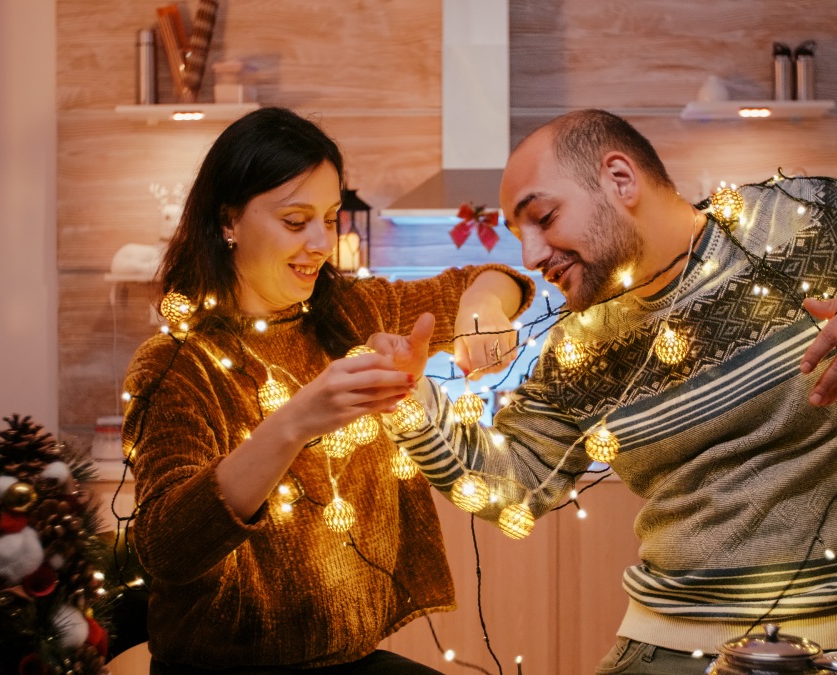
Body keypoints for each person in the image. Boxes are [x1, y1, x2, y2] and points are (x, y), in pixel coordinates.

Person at [369, 109, 837, 674]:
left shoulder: (810, 223)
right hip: (662, 650)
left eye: (543, 217)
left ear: (618, 176)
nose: (529, 254)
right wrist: (409, 402)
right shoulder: (579, 347)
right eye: (517, 233)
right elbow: (513, 488)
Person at [120, 107, 533, 674]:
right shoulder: (176, 366)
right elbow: (167, 549)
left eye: (331, 218)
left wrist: (484, 310)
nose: (321, 242)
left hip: (347, 661)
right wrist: (295, 423)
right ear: (227, 222)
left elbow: (490, 279)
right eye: (296, 221)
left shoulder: (351, 312)